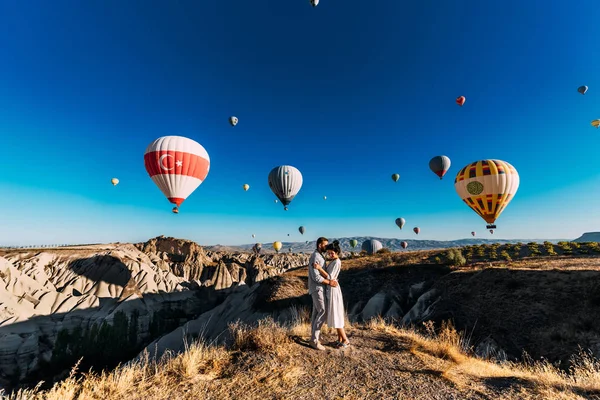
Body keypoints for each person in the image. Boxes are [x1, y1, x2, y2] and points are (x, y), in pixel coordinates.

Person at [314, 240, 350, 348]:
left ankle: (345, 340)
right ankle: (339, 339)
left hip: (333, 289)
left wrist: (319, 268)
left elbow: (329, 277)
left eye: (332, 252)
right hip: (331, 288)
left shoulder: (336, 262)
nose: (330, 254)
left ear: (337, 252)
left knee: (336, 315)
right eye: (328, 252)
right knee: (335, 314)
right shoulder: (333, 261)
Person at [308, 237, 338, 350]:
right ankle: (314, 341)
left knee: (316, 313)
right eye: (325, 245)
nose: (327, 247)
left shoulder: (320, 256)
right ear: (320, 245)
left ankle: (314, 337)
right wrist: (329, 282)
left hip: (318, 288)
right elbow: (315, 276)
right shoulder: (316, 256)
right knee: (323, 311)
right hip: (317, 288)